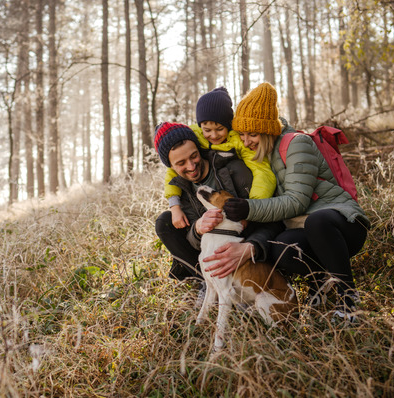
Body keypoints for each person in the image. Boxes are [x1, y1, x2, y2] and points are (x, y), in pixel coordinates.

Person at [212, 82, 370, 321]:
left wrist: (249, 208)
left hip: (342, 225)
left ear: (268, 131)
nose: (246, 141)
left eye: (252, 134)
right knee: (281, 248)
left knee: (318, 221)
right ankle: (320, 285)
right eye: (242, 134)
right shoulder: (262, 157)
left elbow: (296, 202)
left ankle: (349, 301)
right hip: (308, 229)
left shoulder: (297, 144)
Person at [153, 121, 283, 287]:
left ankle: (243, 284)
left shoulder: (235, 170)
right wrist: (198, 228)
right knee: (164, 221)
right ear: (170, 167)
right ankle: (206, 284)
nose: (191, 166)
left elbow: (274, 220)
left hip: (249, 251)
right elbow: (192, 242)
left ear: (199, 149)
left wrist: (252, 247)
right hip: (212, 253)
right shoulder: (182, 190)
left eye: (194, 156)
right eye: (181, 163)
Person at [163, 87, 276, 229]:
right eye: (208, 130)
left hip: (234, 190)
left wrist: (251, 208)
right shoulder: (193, 136)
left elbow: (262, 171)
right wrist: (174, 205)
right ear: (200, 126)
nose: (214, 135)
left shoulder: (238, 141)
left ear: (229, 125)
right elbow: (172, 170)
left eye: (220, 129)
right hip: (205, 195)